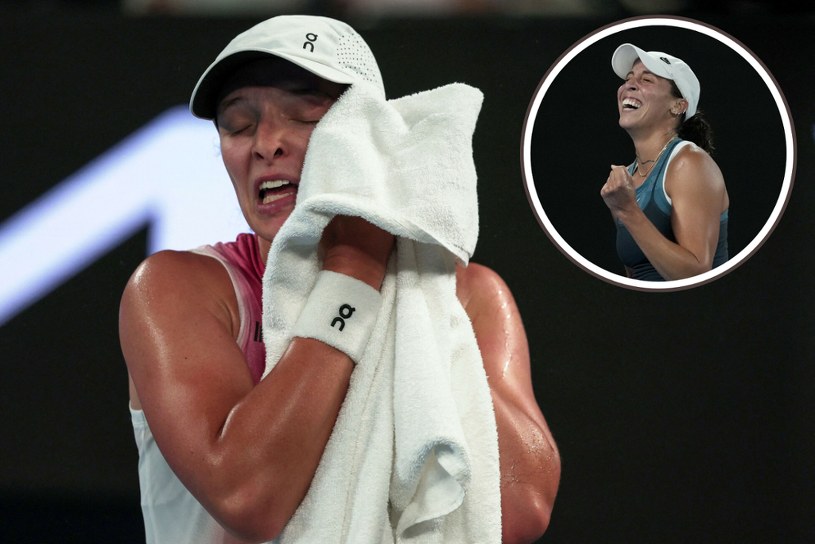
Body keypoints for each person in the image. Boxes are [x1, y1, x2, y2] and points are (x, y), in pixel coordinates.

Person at [119, 15, 560, 544]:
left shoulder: (464, 293)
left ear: (367, 132)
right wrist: (354, 270)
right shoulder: (177, 288)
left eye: (304, 113)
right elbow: (248, 497)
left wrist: (414, 292)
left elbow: (518, 509)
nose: (266, 143)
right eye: (238, 124)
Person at [600, 43, 729, 281]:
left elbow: (696, 275)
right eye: (628, 78)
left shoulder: (690, 163)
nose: (629, 85)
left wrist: (628, 210)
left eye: (646, 80)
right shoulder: (627, 180)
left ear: (678, 105)